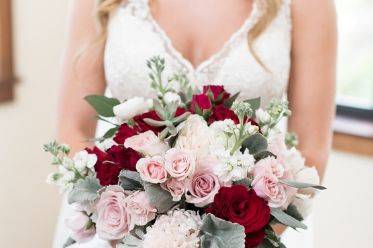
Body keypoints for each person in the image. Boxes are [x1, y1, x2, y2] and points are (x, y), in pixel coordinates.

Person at [54, 0, 337, 247]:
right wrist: (126, 233)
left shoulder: (306, 4)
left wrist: (250, 238)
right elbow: (73, 130)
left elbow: (310, 149)